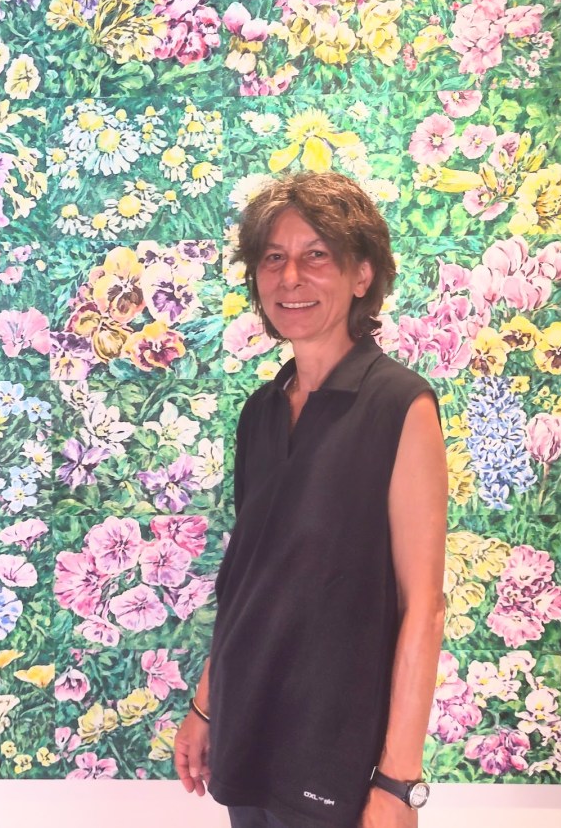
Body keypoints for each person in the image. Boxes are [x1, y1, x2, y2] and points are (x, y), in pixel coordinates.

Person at [174, 172, 448, 828]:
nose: (290, 277)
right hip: (247, 728)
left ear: (361, 275)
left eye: (316, 254)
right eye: (274, 257)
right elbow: (249, 581)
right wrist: (206, 705)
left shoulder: (400, 406)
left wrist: (399, 783)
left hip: (337, 753)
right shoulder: (261, 411)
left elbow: (424, 608)